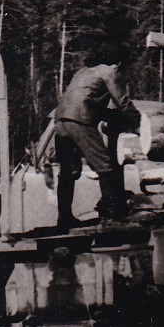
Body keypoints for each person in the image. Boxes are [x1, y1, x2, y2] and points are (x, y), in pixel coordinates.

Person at [54, 50, 140, 227]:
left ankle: (64, 218)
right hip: (80, 120)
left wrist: (109, 116)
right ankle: (111, 216)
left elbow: (86, 100)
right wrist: (138, 122)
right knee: (105, 166)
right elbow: (122, 101)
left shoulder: (83, 72)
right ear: (118, 64)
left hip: (60, 120)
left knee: (68, 172)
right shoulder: (109, 71)